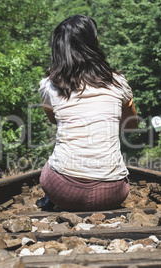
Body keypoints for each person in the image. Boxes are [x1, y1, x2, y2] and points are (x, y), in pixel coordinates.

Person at [38, 15, 138, 211]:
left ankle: (53, 199)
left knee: (50, 166)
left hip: (61, 191)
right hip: (112, 193)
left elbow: (55, 120)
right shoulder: (118, 82)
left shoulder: (49, 85)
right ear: (95, 43)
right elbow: (131, 124)